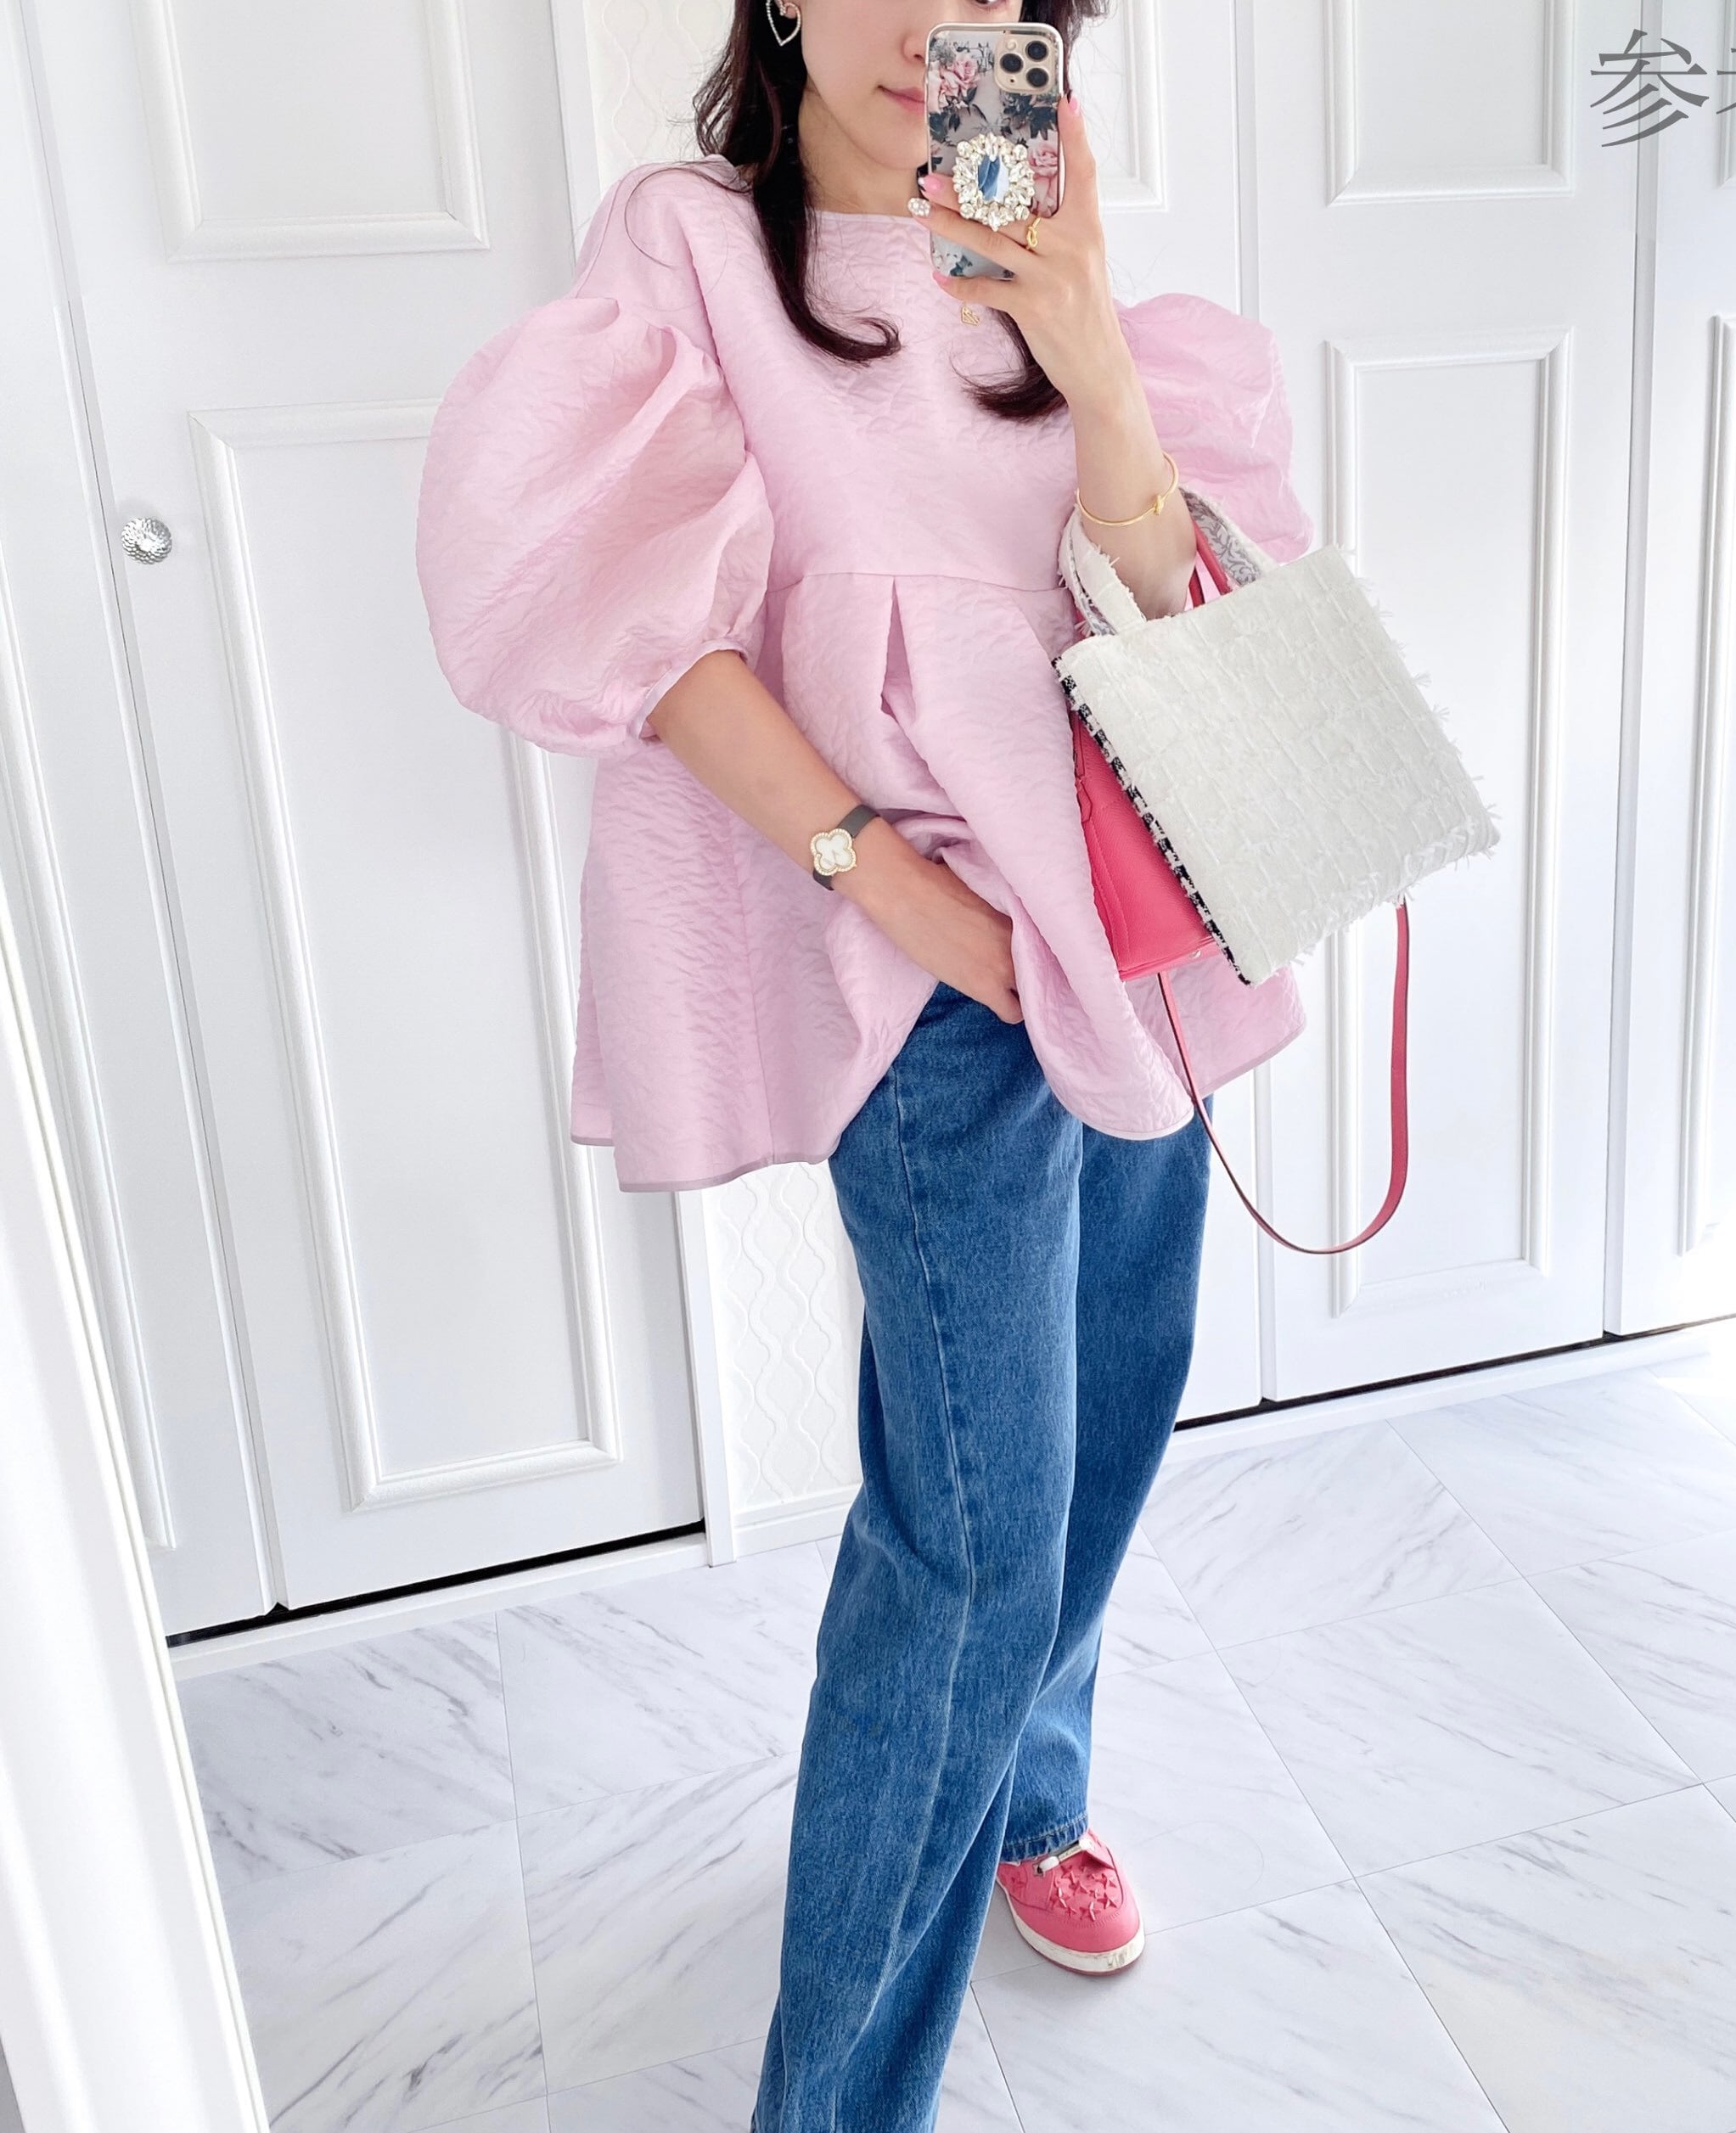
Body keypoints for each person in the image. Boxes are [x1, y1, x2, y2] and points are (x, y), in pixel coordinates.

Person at [415, 3, 1314, 2125]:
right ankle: (831, 2104)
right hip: (930, 998)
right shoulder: (692, 252)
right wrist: (915, 915)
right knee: (968, 1550)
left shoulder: (1053, 258)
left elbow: (1185, 624)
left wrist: (1091, 354)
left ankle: (1031, 1799)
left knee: (1112, 1418)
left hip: (1132, 952)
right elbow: (645, 629)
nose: (928, 25)